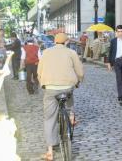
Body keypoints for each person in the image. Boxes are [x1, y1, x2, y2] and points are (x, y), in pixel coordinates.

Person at [37, 33, 84, 161]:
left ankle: (50, 152)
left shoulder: (46, 52)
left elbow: (39, 71)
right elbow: (79, 71)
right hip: (67, 87)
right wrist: (79, 81)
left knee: (49, 118)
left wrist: (42, 82)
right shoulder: (71, 53)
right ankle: (71, 116)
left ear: (54, 42)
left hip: (50, 88)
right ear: (66, 42)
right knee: (70, 96)